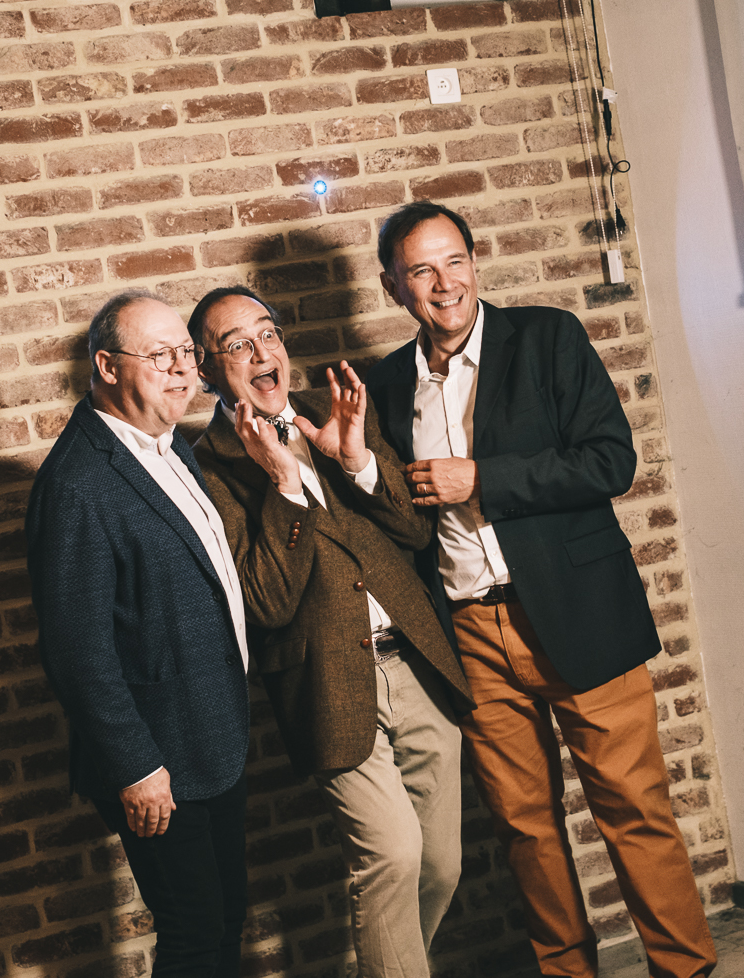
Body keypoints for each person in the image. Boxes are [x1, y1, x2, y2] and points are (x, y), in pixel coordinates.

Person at [365, 202, 717, 978]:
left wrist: (480, 480)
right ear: (393, 287)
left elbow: (609, 461)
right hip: (470, 634)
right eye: (421, 270)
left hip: (578, 615)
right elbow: (396, 520)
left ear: (475, 261)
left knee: (634, 810)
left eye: (454, 260)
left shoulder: (548, 339)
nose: (444, 283)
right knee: (524, 828)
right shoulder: (385, 385)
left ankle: (685, 969)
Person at [185, 285, 473, 978]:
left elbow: (415, 532)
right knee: (392, 856)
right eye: (237, 345)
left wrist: (356, 461)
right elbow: (265, 601)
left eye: (269, 334)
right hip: (326, 683)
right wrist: (284, 484)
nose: (262, 353)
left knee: (440, 864)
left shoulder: (333, 409)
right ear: (205, 368)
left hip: (415, 662)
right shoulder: (204, 466)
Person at [26, 291, 250, 978]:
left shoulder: (167, 442)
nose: (183, 369)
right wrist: (135, 767)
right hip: (157, 758)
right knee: (195, 935)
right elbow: (76, 650)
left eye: (186, 352)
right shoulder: (78, 483)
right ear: (107, 366)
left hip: (209, 735)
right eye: (160, 356)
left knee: (225, 922)